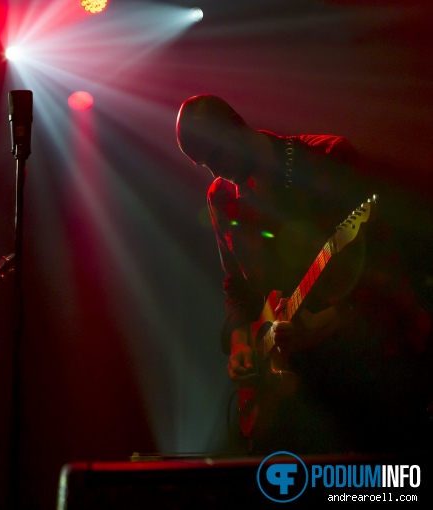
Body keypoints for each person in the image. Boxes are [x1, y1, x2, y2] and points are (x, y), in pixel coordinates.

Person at [175, 95, 432, 454]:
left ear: (235, 124)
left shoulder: (326, 159)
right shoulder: (221, 197)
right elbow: (235, 284)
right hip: (307, 392)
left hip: (375, 369)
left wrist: (333, 321)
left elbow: (387, 267)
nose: (216, 172)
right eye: (205, 164)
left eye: (217, 155)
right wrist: (241, 344)